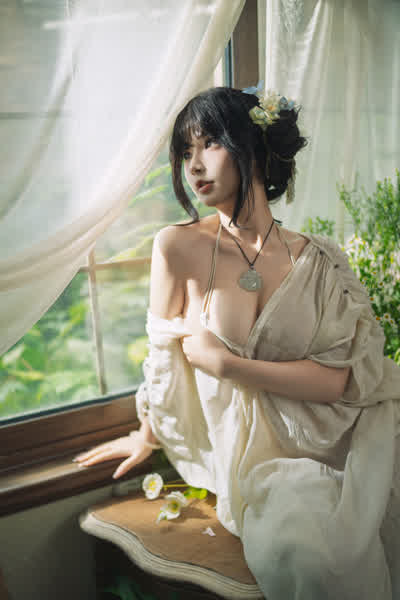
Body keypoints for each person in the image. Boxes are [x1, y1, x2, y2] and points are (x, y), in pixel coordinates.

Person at [75, 87, 400, 599]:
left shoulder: (320, 261)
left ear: (252, 147)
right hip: (265, 459)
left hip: (354, 429)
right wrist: (147, 433)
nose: (194, 165)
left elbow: (335, 383)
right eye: (185, 151)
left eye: (209, 143)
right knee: (316, 560)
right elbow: (163, 358)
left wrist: (226, 365)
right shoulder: (178, 247)